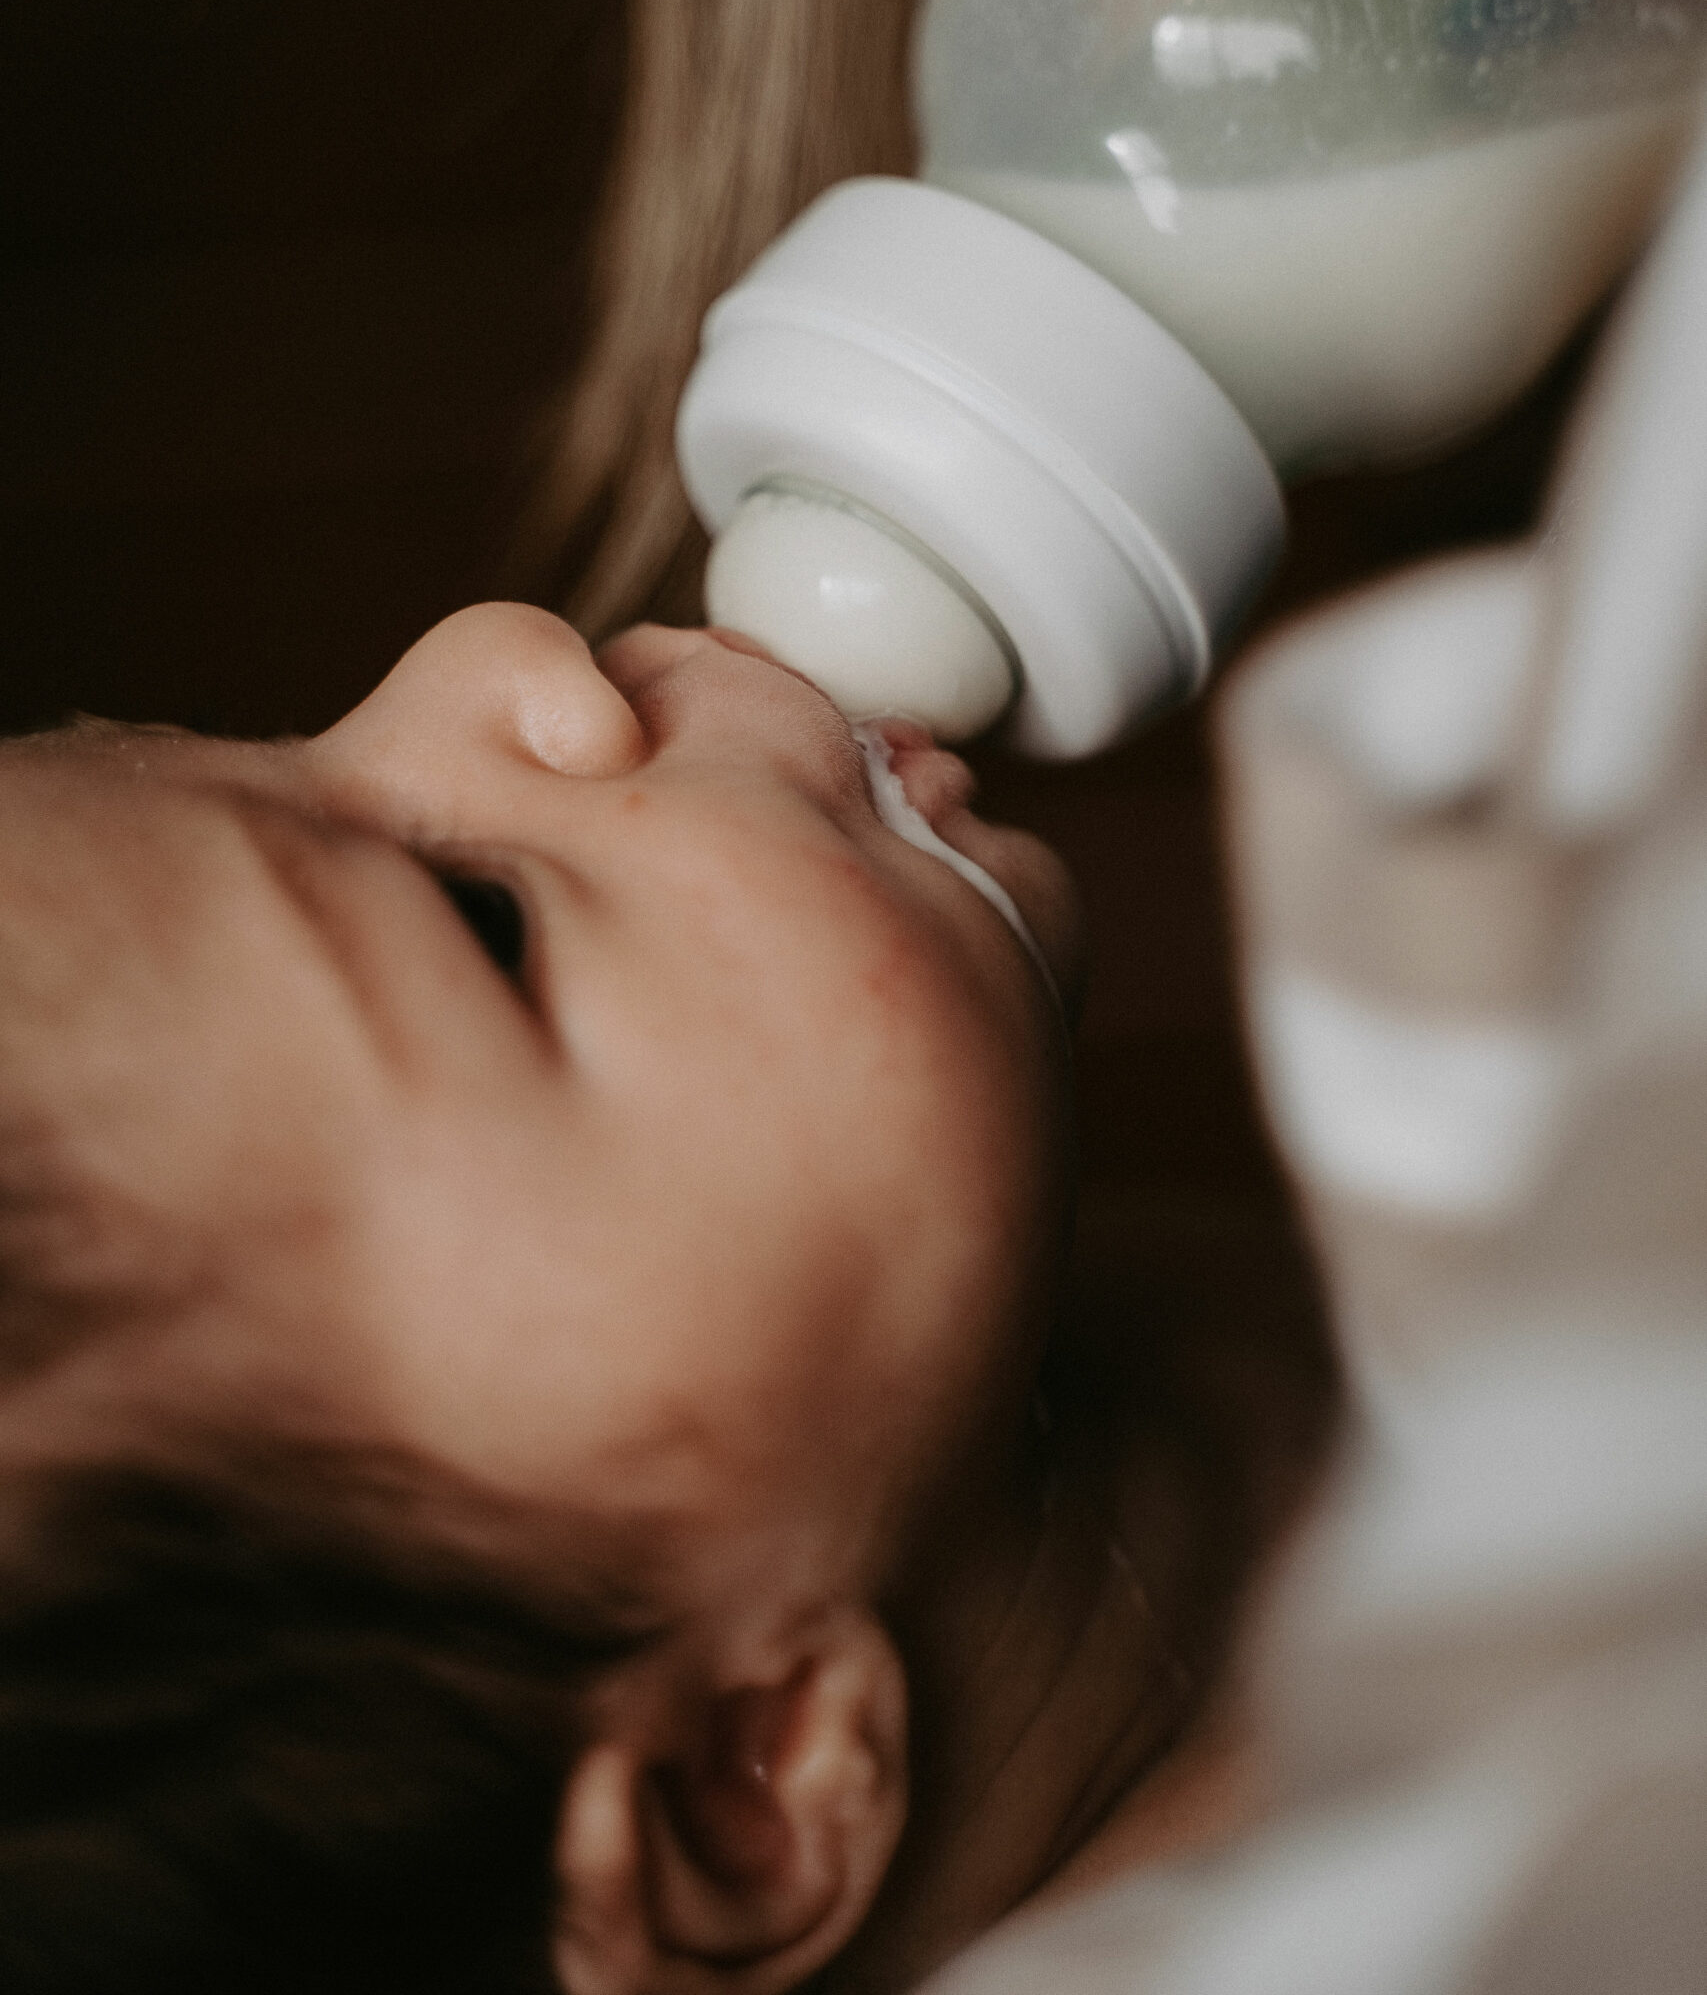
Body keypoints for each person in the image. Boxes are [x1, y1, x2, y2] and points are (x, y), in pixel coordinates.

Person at [1, 603, 1294, 1995]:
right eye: (479, 919)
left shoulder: (985, 1381)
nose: (494, 649)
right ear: (741, 1794)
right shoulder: (1442, 1891)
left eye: (268, 741)